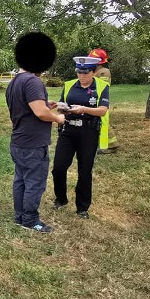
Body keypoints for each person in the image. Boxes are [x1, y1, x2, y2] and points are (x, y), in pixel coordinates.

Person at [6, 33, 65, 233]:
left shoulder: (15, 82)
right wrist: (57, 117)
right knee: (34, 182)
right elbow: (40, 113)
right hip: (33, 144)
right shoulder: (32, 82)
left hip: (19, 141)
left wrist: (46, 104)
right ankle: (30, 220)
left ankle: (19, 216)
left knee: (20, 180)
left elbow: (27, 107)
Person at [51, 56, 110, 219]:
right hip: (68, 130)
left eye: (85, 73)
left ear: (93, 72)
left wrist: (84, 109)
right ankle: (61, 199)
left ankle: (82, 207)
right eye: (79, 72)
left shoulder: (102, 86)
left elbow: (103, 110)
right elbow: (62, 106)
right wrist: (61, 108)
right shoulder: (69, 85)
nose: (81, 76)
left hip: (88, 132)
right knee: (59, 167)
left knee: (85, 171)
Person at [88, 48, 119, 153]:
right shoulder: (95, 71)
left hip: (101, 100)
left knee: (103, 122)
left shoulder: (104, 72)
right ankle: (101, 143)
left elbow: (101, 86)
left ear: (99, 62)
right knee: (96, 122)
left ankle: (111, 145)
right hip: (93, 100)